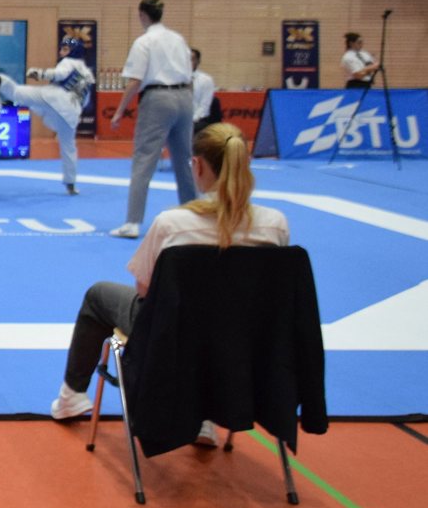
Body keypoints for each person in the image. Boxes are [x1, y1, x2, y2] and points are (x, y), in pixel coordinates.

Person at [50, 122, 290, 438]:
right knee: (218, 321)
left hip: (174, 337)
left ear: (197, 165)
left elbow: (145, 289)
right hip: (244, 340)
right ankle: (204, 416)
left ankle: (71, 397)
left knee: (98, 296)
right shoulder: (275, 225)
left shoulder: (173, 224)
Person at [109, 0, 197, 238]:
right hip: (184, 96)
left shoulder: (144, 42)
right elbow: (189, 75)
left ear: (142, 15)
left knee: (144, 159)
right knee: (184, 161)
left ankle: (132, 222)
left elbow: (135, 80)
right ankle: (194, 217)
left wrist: (119, 111)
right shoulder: (178, 39)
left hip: (158, 98)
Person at [0, 35, 94, 194]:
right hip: (71, 112)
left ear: (73, 51)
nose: (61, 52)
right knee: (68, 147)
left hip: (54, 98)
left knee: (18, 93)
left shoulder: (68, 62)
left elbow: (60, 73)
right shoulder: (88, 75)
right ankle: (71, 183)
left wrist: (41, 73)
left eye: (65, 49)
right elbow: (86, 101)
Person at [190, 48, 220, 132]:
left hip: (199, 119)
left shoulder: (206, 80)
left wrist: (192, 120)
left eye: (192, 59)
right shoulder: (177, 79)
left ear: (198, 61)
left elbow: (204, 106)